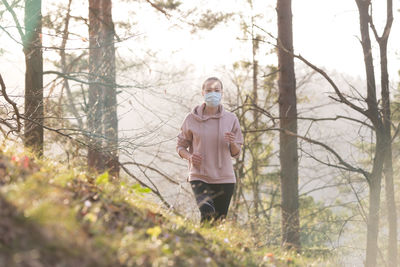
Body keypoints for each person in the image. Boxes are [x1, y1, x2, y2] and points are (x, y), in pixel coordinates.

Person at [176, 77, 244, 224]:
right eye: (208, 90)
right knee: (207, 213)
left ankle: (201, 245)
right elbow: (180, 146)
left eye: (216, 90)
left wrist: (232, 142)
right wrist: (189, 157)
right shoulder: (191, 119)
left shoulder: (231, 119)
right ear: (202, 93)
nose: (212, 93)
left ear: (222, 93)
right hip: (199, 176)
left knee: (218, 222)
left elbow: (236, 153)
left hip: (225, 178)